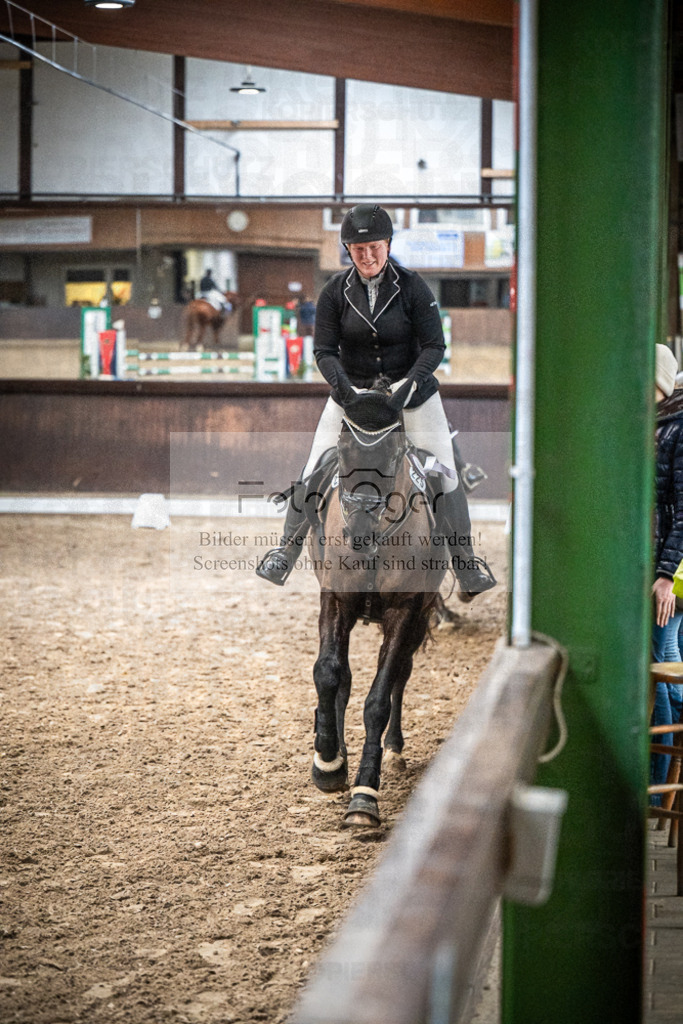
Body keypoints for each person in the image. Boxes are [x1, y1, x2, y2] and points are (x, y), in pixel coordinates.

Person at [256, 203, 496, 599]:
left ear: (387, 245)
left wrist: (409, 385)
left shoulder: (414, 286)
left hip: (412, 395)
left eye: (374, 247)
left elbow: (435, 345)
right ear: (348, 250)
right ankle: (286, 549)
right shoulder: (334, 291)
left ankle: (466, 561)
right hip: (353, 395)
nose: (367, 256)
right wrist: (344, 388)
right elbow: (324, 351)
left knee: (446, 473)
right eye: (358, 248)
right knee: (314, 465)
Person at [651, 342, 683, 797]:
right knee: (667, 660)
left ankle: (657, 783)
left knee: (660, 664)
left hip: (673, 575)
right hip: (671, 569)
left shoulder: (677, 429)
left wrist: (664, 576)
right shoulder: (663, 424)